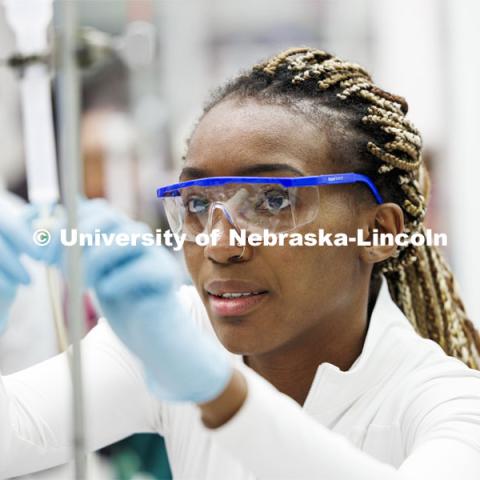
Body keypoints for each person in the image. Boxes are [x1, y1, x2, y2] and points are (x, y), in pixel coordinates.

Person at [1, 47, 480, 479]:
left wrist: (216, 390)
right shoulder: (178, 332)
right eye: (195, 203)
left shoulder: (449, 403)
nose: (219, 245)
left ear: (378, 232)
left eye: (273, 200)